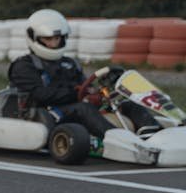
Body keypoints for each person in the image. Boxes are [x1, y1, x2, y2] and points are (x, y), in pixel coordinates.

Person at [8, 8, 158, 137]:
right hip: (43, 112)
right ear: (34, 38)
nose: (54, 43)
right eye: (48, 39)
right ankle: (120, 140)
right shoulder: (24, 66)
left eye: (57, 38)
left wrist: (95, 92)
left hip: (73, 108)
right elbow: (41, 95)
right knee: (84, 109)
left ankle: (154, 133)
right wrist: (76, 93)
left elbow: (83, 84)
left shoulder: (69, 63)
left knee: (126, 103)